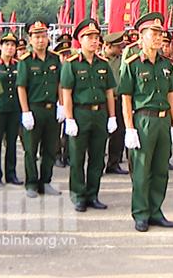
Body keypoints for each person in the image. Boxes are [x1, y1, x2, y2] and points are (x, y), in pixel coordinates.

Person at [118, 12, 173, 232]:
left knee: (161, 169)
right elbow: (126, 97)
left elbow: (172, 93)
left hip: (163, 122)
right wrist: (129, 128)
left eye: (160, 33)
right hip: (143, 120)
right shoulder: (132, 64)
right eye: (153, 33)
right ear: (141, 36)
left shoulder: (165, 63)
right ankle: (141, 213)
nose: (158, 38)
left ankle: (156, 210)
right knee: (142, 170)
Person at [60, 18, 118, 212]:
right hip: (80, 114)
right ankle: (78, 195)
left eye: (96, 37)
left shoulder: (103, 63)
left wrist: (112, 116)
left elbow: (109, 91)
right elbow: (66, 92)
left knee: (97, 157)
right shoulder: (72, 64)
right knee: (77, 158)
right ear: (80, 40)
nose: (95, 41)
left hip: (100, 114)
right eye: (90, 37)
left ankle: (93, 194)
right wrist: (69, 118)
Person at [17, 20, 63, 198]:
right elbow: (21, 87)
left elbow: (59, 83)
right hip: (34, 109)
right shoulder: (26, 61)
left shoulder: (54, 58)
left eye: (43, 36)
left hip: (52, 109)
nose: (41, 40)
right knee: (30, 149)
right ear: (30, 40)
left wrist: (61, 104)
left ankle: (46, 181)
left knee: (51, 148)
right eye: (36, 37)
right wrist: (25, 111)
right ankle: (31, 183)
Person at [0, 33, 22, 186]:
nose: (10, 48)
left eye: (13, 45)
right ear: (0, 47)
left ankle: (11, 173)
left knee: (11, 142)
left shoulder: (18, 65)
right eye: (7, 45)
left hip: (14, 109)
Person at [103, 32, 129, 175]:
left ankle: (114, 163)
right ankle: (98, 164)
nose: (121, 49)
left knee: (119, 133)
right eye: (118, 46)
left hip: (118, 100)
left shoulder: (122, 60)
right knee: (101, 134)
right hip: (103, 101)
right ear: (108, 46)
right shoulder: (100, 60)